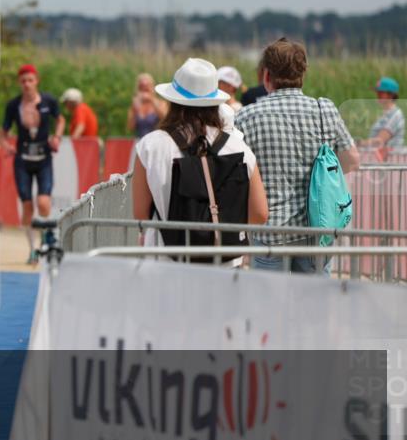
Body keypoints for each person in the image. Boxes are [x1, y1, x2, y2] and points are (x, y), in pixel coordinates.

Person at [234, 38, 360, 273]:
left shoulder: (245, 117)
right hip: (316, 229)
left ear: (266, 75)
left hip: (270, 231)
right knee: (313, 306)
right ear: (302, 74)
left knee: (269, 308)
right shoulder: (324, 109)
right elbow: (352, 160)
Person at [132, 58, 268, 248]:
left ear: (173, 100)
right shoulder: (238, 147)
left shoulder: (149, 146)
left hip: (165, 260)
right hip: (223, 262)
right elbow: (260, 213)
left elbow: (140, 213)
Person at [0, 64, 65, 263]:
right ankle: (32, 249)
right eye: (23, 81)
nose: (27, 84)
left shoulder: (48, 101)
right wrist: (6, 145)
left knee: (43, 202)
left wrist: (57, 137)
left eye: (30, 80)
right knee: (27, 206)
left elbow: (60, 119)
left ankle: (46, 236)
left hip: (44, 158)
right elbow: (3, 133)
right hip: (22, 160)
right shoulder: (14, 105)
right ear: (20, 83)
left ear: (37, 81)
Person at [363, 77, 403, 151]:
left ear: (391, 95)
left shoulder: (395, 114)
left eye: (381, 93)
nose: (377, 95)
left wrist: (358, 143)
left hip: (389, 159)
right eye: (377, 92)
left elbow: (379, 141)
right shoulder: (385, 114)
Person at [127, 72, 166, 138]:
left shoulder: (161, 103)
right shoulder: (135, 105)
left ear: (152, 87)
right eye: (141, 87)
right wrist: (135, 110)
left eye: (147, 86)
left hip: (156, 141)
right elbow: (130, 127)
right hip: (140, 141)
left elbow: (165, 119)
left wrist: (152, 100)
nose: (144, 90)